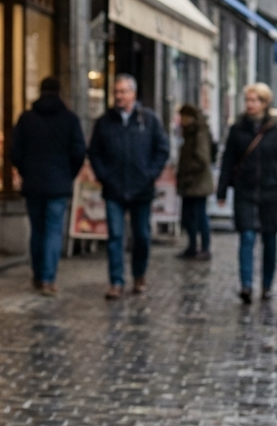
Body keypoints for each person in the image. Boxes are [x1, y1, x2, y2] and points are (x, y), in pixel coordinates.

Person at [87, 73, 169, 299]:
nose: (119, 96)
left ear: (133, 94)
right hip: (114, 188)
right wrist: (103, 175)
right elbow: (94, 152)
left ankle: (139, 274)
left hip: (141, 188)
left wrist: (150, 174)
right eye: (116, 92)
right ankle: (116, 281)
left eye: (123, 92)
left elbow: (162, 149)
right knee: (115, 236)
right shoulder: (105, 121)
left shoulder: (148, 120)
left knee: (141, 235)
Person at [217, 83, 277, 304]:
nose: (250, 104)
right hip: (245, 190)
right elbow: (228, 161)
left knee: (270, 239)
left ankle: (267, 285)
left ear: (264, 103)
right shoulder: (237, 129)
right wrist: (222, 190)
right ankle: (246, 284)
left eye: (255, 100)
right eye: (248, 100)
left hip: (272, 192)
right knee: (247, 236)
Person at [10, 76, 86, 295]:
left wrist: (27, 171)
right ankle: (48, 279)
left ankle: (37, 274)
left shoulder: (27, 118)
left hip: (33, 183)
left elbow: (15, 152)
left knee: (37, 230)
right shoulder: (70, 119)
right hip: (59, 184)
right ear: (59, 93)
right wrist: (67, 174)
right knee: (53, 231)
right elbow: (79, 151)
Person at [175, 104, 214, 260]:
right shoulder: (189, 133)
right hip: (190, 183)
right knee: (189, 216)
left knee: (199, 215)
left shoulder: (198, 133)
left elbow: (202, 159)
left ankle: (204, 247)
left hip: (197, 183)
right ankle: (192, 246)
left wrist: (188, 172)